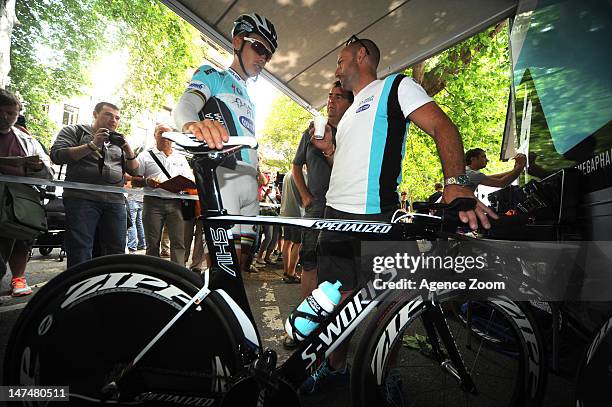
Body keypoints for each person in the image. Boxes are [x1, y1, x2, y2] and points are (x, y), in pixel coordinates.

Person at [302, 36, 497, 394]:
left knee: (389, 309)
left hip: (378, 219)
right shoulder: (347, 115)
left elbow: (443, 126)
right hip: (334, 218)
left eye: (341, 59)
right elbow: (348, 166)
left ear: (362, 54)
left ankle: (387, 376)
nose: (336, 68)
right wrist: (329, 150)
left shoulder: (395, 86)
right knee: (337, 303)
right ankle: (334, 367)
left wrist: (456, 184)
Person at [173, 12, 278, 274]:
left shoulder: (250, 96)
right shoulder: (213, 74)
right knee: (222, 270)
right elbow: (185, 106)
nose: (263, 57)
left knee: (240, 269)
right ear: (237, 41)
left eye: (269, 53)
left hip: (249, 185)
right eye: (258, 47)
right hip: (223, 180)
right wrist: (191, 124)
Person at [50, 102, 139, 268]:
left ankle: (110, 289)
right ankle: (79, 288)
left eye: (117, 117)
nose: (114, 120)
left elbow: (135, 171)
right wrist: (92, 145)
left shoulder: (118, 140)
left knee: (116, 249)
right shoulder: (75, 131)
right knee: (80, 249)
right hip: (81, 198)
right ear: (95, 114)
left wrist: (127, 149)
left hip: (115, 200)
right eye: (108, 115)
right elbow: (57, 155)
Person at [292, 81, 353, 300]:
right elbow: (296, 166)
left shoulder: (350, 132)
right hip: (316, 205)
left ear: (349, 103)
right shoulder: (311, 130)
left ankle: (329, 320)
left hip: (341, 207)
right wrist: (305, 195)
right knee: (309, 261)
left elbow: (348, 171)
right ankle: (307, 318)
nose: (331, 100)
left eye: (338, 97)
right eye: (330, 95)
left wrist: (329, 149)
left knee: (336, 265)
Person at [0, 89, 52, 296]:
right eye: (2, 112)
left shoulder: (27, 140)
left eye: (11, 114)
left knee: (17, 239)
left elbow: (47, 173)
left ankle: (18, 278)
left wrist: (37, 167)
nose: (6, 118)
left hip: (17, 201)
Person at [133, 123, 194, 265]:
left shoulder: (180, 158)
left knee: (178, 243)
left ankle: (178, 275)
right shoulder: (145, 156)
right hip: (153, 202)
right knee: (152, 243)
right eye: (161, 132)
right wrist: (147, 182)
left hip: (176, 203)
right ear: (155, 135)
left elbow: (190, 180)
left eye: (168, 134)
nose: (165, 136)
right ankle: (153, 274)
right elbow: (135, 181)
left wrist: (186, 184)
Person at [279, 171, 303, 283]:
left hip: (285, 212)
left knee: (287, 242)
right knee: (298, 243)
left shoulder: (287, 174)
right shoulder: (302, 174)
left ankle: (286, 271)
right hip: (297, 213)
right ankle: (291, 273)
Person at [125, 175, 146, 253]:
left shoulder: (133, 172)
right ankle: (142, 243)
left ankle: (132, 245)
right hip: (141, 198)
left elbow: (128, 186)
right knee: (139, 223)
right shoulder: (143, 170)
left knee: (132, 223)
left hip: (133, 199)